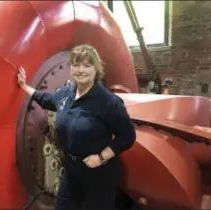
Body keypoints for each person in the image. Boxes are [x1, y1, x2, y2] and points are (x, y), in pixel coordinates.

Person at [17, 44, 136, 210]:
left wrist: (101, 158)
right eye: (76, 65)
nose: (81, 70)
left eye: (87, 65)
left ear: (96, 70)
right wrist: (24, 87)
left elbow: (128, 137)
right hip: (71, 170)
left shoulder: (108, 102)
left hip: (98, 174)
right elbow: (46, 99)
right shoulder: (67, 94)